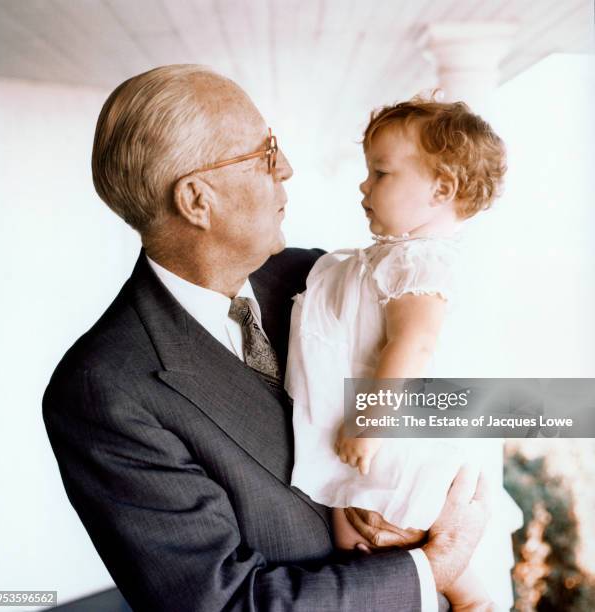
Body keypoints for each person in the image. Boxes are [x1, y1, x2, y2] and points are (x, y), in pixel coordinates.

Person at [43, 65, 491, 612]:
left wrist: (453, 505)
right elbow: (223, 604)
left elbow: (458, 383)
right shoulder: (103, 390)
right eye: (265, 153)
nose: (287, 169)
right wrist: (433, 565)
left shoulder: (325, 278)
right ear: (196, 200)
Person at [285, 97, 523, 610]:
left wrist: (368, 422)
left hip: (393, 440)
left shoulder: (420, 263)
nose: (364, 186)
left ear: (441, 189)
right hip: (380, 435)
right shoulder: (397, 258)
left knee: (377, 534)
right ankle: (466, 596)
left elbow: (413, 344)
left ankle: (472, 598)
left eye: (381, 173)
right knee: (363, 539)